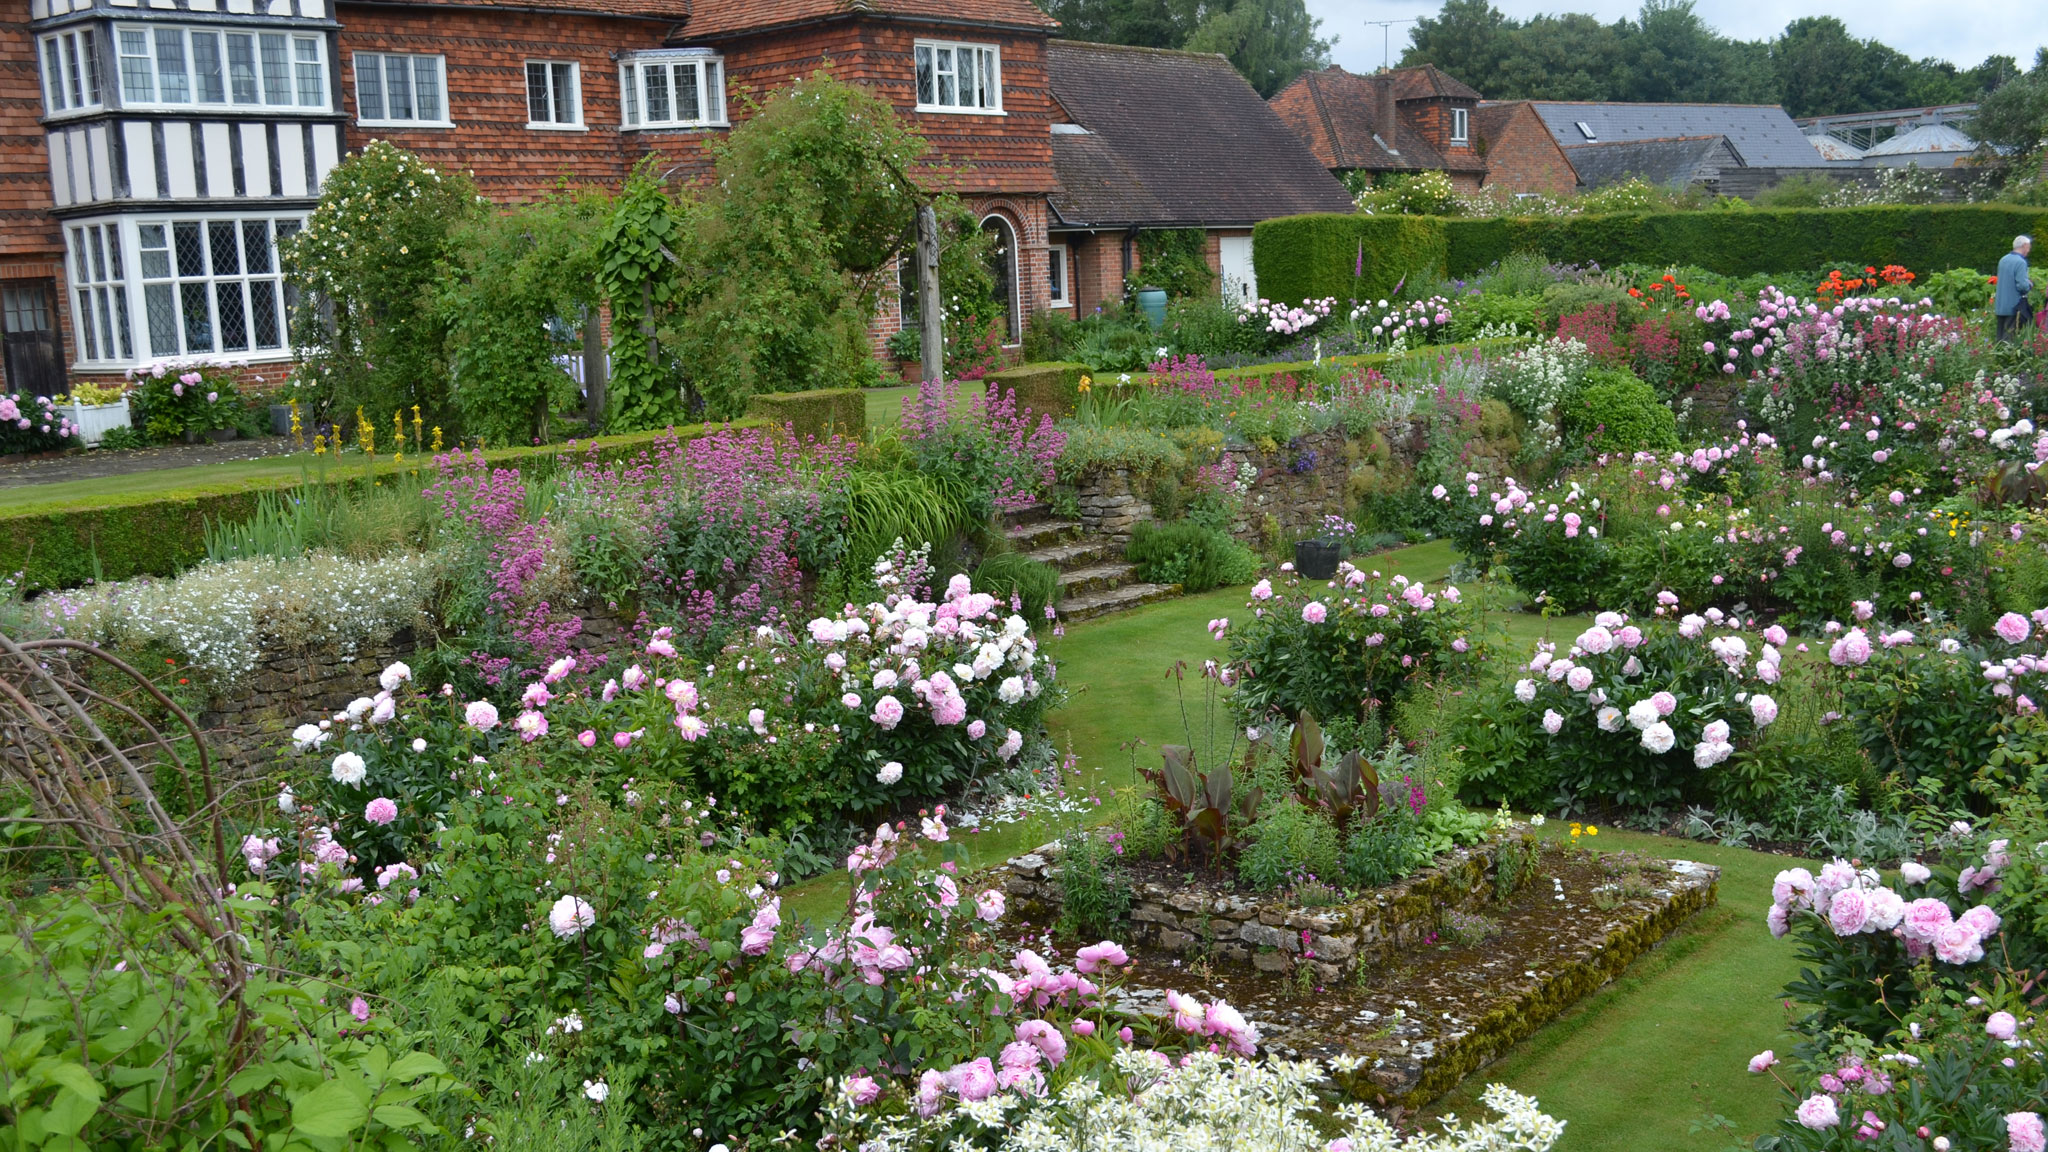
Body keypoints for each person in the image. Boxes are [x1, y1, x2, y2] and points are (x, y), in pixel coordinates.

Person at [1996, 235, 2034, 342]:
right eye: (2029, 247)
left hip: (2000, 306)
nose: (2029, 250)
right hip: (2014, 307)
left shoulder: (2003, 260)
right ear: (2024, 246)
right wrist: (2029, 284)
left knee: (1999, 340)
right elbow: (2022, 286)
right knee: (2009, 340)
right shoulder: (2021, 262)